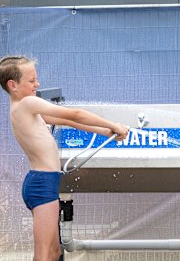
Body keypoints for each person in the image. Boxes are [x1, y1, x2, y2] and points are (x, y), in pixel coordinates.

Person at [0, 55, 129, 261]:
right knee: (44, 254)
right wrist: (113, 124)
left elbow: (69, 122)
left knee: (53, 252)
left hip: (44, 183)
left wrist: (106, 132)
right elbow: (75, 114)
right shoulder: (27, 104)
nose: (38, 84)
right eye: (32, 80)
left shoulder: (27, 110)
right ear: (12, 85)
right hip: (41, 185)